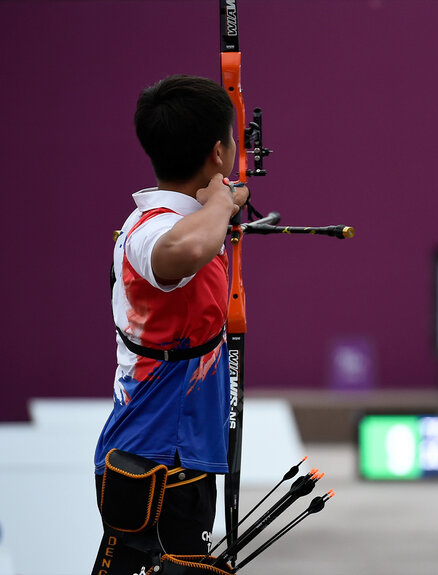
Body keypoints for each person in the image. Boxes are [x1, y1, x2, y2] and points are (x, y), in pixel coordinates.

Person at [91, 74, 249, 574]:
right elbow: (185, 250)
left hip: (177, 451)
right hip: (155, 457)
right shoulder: (151, 229)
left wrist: (217, 211)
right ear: (218, 154)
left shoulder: (184, 219)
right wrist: (223, 202)